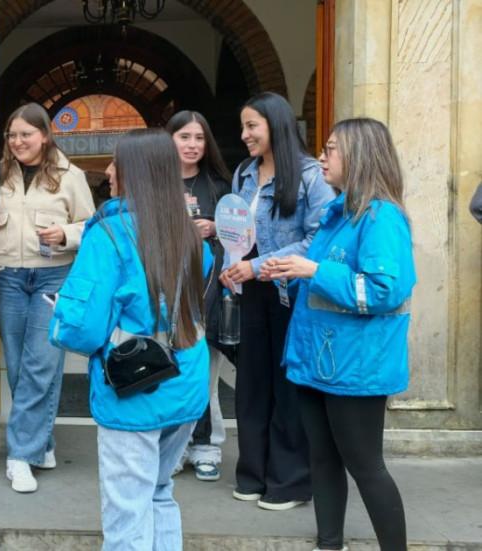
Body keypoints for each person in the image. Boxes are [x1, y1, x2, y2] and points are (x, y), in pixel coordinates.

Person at [50, 129, 210, 550]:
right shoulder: (192, 233)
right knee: (160, 492)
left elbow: (82, 330)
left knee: (126, 511)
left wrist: (59, 316)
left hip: (134, 388)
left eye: (115, 163)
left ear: (134, 172)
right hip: (187, 379)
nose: (108, 170)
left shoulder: (109, 234)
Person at [262, 118, 414, 551]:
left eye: (331, 149)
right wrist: (290, 273)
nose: (322, 157)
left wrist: (313, 269)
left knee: (366, 466)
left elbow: (384, 290)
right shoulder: (339, 213)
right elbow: (326, 284)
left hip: (355, 365)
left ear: (359, 156)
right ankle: (329, 544)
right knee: (322, 459)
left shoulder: (381, 217)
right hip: (319, 361)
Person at [219, 92, 336, 511]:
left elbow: (318, 240)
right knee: (251, 386)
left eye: (252, 126)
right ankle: (252, 474)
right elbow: (238, 234)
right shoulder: (244, 174)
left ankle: (289, 482)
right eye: (244, 126)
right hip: (250, 292)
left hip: (293, 293)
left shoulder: (309, 176)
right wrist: (233, 265)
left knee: (288, 387)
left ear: (275, 126)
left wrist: (260, 265)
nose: (244, 134)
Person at [0, 103, 95, 493]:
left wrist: (66, 235)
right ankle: (42, 442)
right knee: (19, 365)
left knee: (41, 363)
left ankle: (19, 455)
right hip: (8, 276)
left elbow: (90, 227)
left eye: (26, 134)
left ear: (44, 135)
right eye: (12, 135)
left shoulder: (70, 176)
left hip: (53, 277)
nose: (18, 141)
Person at [165, 110, 232, 482]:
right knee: (170, 373)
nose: (192, 145)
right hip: (165, 293)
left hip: (209, 291)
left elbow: (244, 239)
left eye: (199, 138)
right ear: (169, 140)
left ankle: (205, 446)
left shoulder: (220, 186)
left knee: (203, 374)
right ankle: (173, 447)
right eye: (184, 137)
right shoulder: (156, 184)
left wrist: (215, 227)